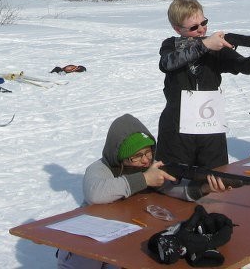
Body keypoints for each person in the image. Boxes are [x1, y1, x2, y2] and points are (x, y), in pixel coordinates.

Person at [57, 113, 229, 269]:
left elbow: (170, 187)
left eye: (148, 152)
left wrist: (203, 188)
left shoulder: (146, 166)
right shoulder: (100, 168)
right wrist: (145, 179)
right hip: (87, 242)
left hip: (121, 238)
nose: (146, 160)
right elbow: (95, 194)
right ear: (121, 156)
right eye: (138, 155)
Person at [156, 0, 250, 170]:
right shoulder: (170, 45)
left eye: (204, 23)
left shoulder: (216, 47)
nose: (202, 30)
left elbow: (244, 67)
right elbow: (167, 63)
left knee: (215, 178)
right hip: (176, 127)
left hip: (210, 126)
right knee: (171, 180)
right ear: (177, 29)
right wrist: (205, 46)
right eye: (194, 27)